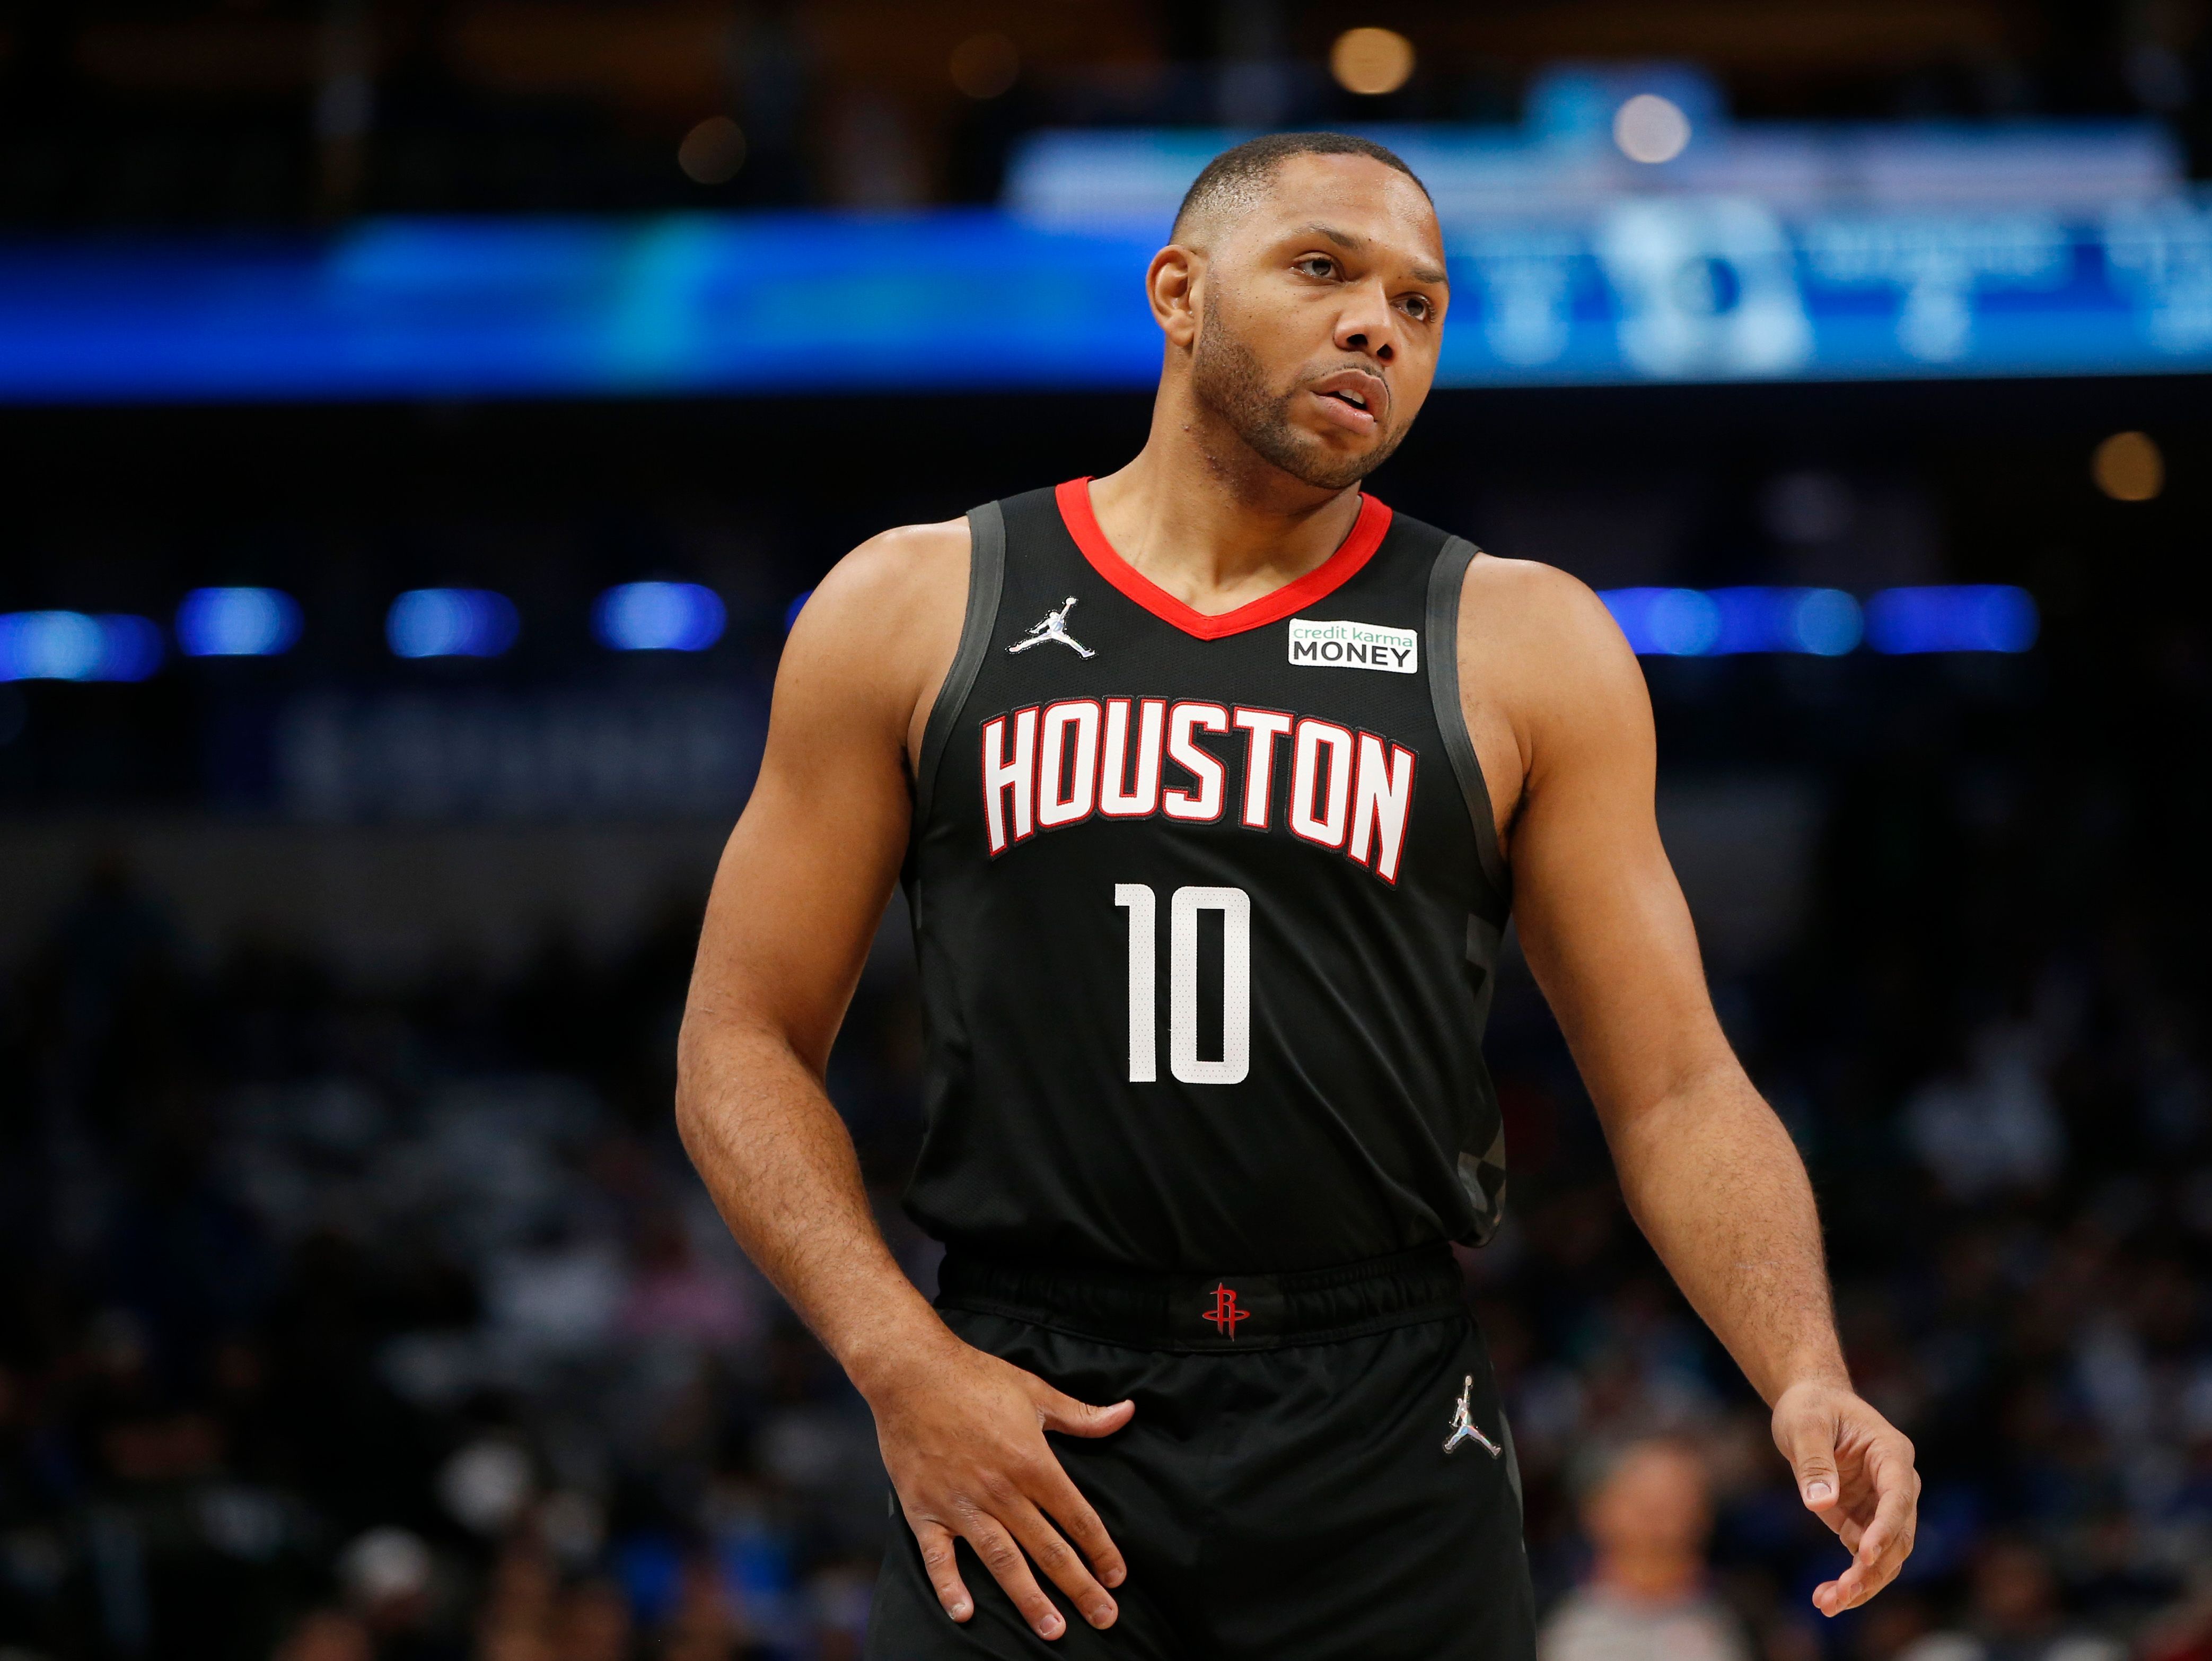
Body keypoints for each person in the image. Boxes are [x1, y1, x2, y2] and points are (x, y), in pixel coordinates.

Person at [675, 130, 1920, 1659]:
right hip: (1025, 1393)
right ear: (1178, 293)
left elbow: (1671, 1082)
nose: (1375, 327)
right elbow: (737, 1040)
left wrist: (1802, 1364)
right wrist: (897, 1359)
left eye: (1419, 303)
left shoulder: (1524, 642)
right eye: (1325, 270)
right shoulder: (918, 602)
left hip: (1378, 1412)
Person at [1542, 1440, 1749, 1661]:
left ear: (1704, 1516)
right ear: (1596, 1511)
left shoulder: (1738, 1619)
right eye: (1640, 1502)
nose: (1656, 1522)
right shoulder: (1546, 1616)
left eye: (1674, 1504)